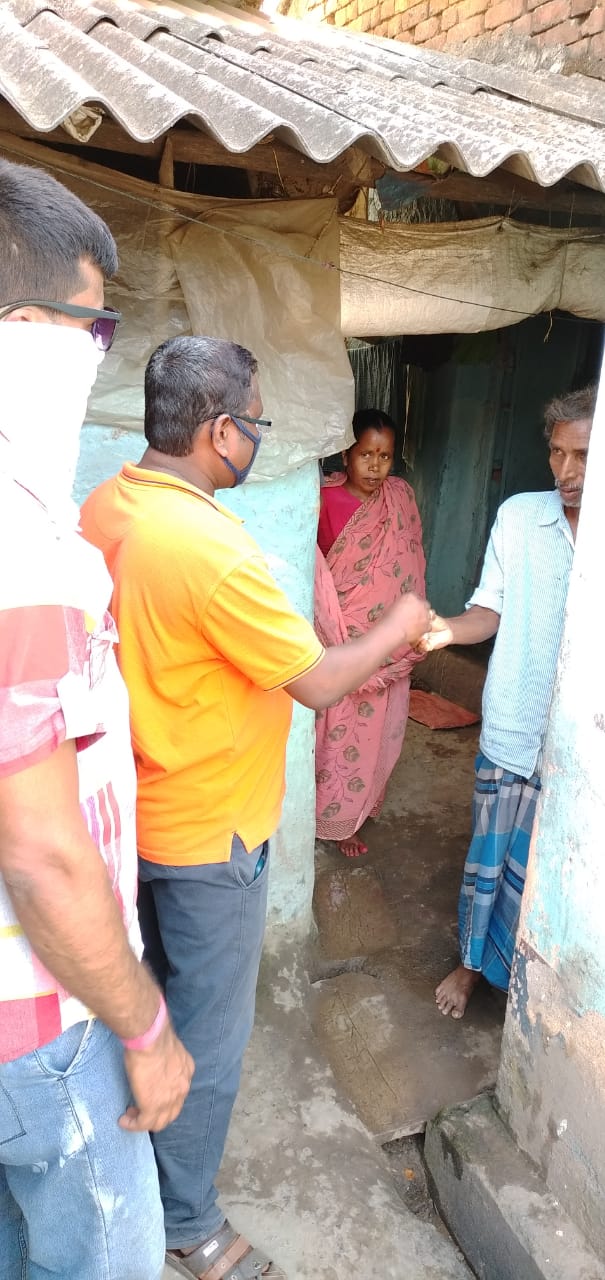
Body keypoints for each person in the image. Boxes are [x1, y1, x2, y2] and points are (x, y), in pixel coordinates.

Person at [80, 337, 431, 1280]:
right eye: (258, 425)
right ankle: (188, 1223)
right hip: (208, 834)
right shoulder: (208, 548)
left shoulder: (108, 506)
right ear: (220, 429)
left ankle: (141, 1163)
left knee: (144, 1008)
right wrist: (397, 624)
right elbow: (317, 681)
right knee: (210, 1036)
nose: (259, 443)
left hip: (127, 818)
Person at [0, 160, 193, 1279]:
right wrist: (146, 1032)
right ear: (28, 327)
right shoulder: (23, 542)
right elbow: (38, 847)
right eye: (94, 324)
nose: (96, 353)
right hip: (47, 1025)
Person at [423, 385, 595, 1019]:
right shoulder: (522, 517)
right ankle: (471, 967)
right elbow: (488, 610)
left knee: (554, 877)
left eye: (581, 455)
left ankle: (532, 979)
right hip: (514, 727)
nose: (565, 472)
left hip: (581, 748)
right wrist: (446, 629)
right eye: (556, 453)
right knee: (489, 862)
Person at [315, 409, 426, 857]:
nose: (377, 467)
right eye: (367, 455)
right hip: (341, 638)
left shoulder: (400, 497)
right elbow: (319, 574)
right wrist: (333, 631)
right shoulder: (324, 499)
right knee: (337, 730)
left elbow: (410, 561)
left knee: (378, 729)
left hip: (387, 643)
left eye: (385, 456)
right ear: (347, 453)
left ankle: (360, 810)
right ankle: (334, 818)